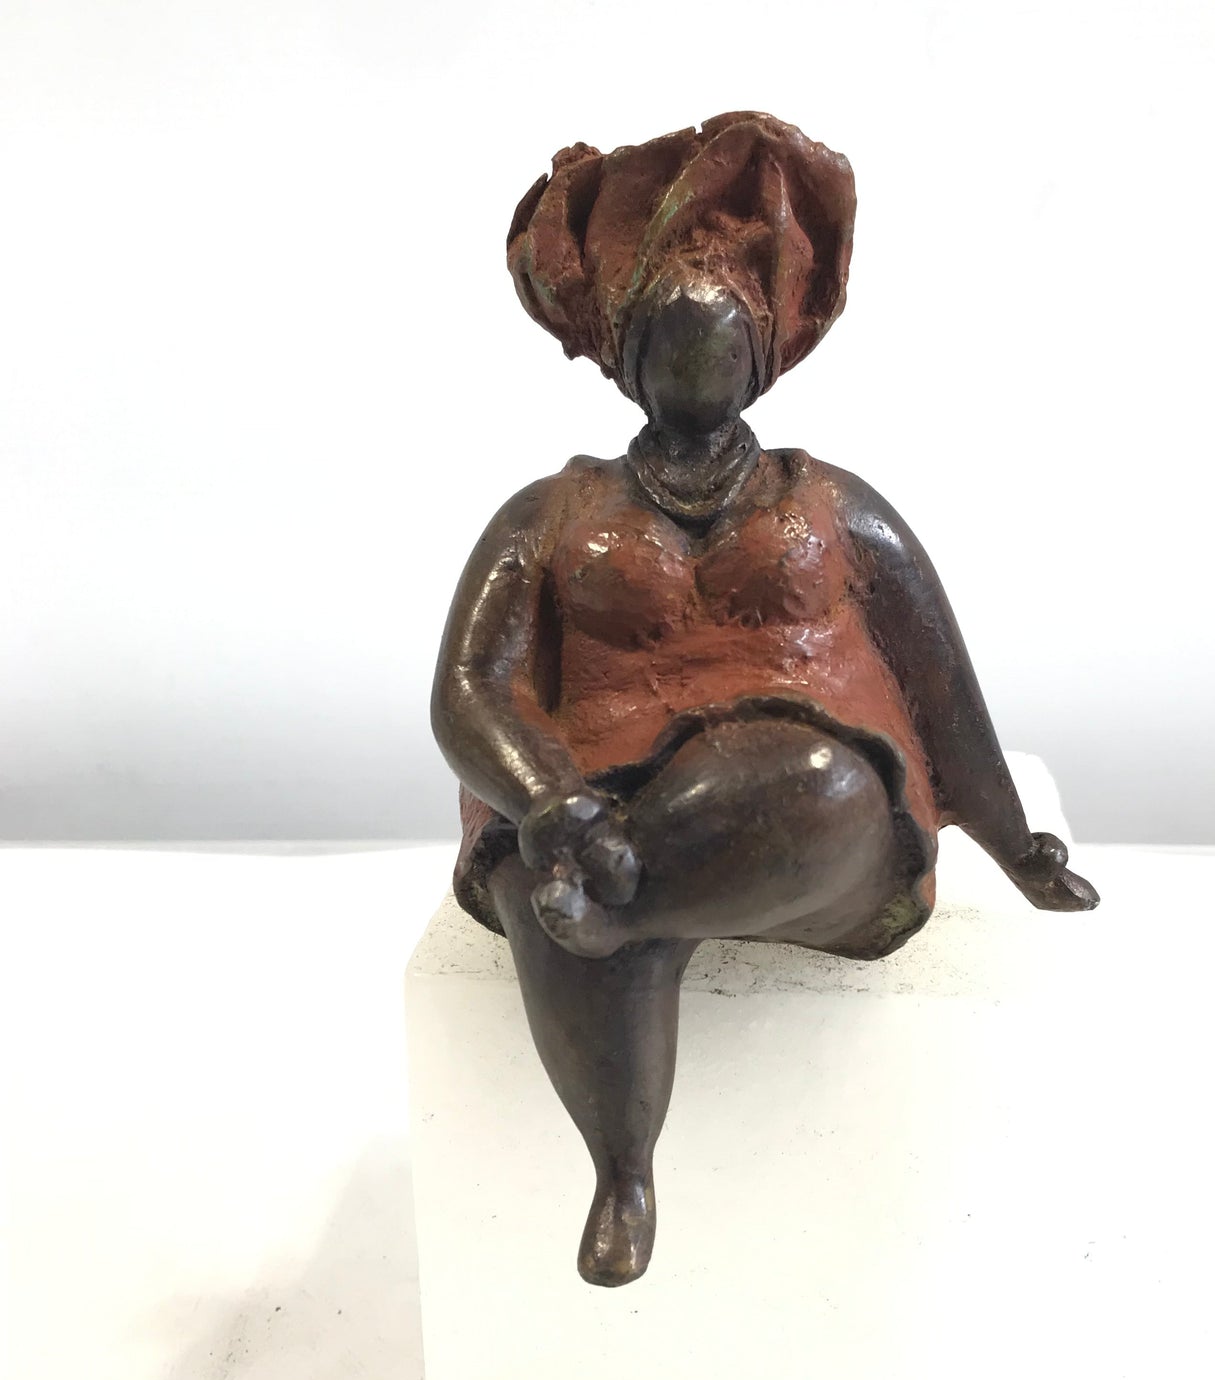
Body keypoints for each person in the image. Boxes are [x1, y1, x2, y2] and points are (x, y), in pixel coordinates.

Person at [432, 112, 1098, 1286]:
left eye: (721, 339)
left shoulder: (827, 502)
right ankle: (622, 1168)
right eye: (669, 341)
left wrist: (1013, 844)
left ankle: (618, 901)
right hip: (584, 804)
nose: (698, 365)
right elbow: (467, 689)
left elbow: (937, 683)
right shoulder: (553, 511)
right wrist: (545, 798)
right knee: (560, 869)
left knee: (809, 787)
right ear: (629, 361)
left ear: (758, 357)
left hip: (789, 813)